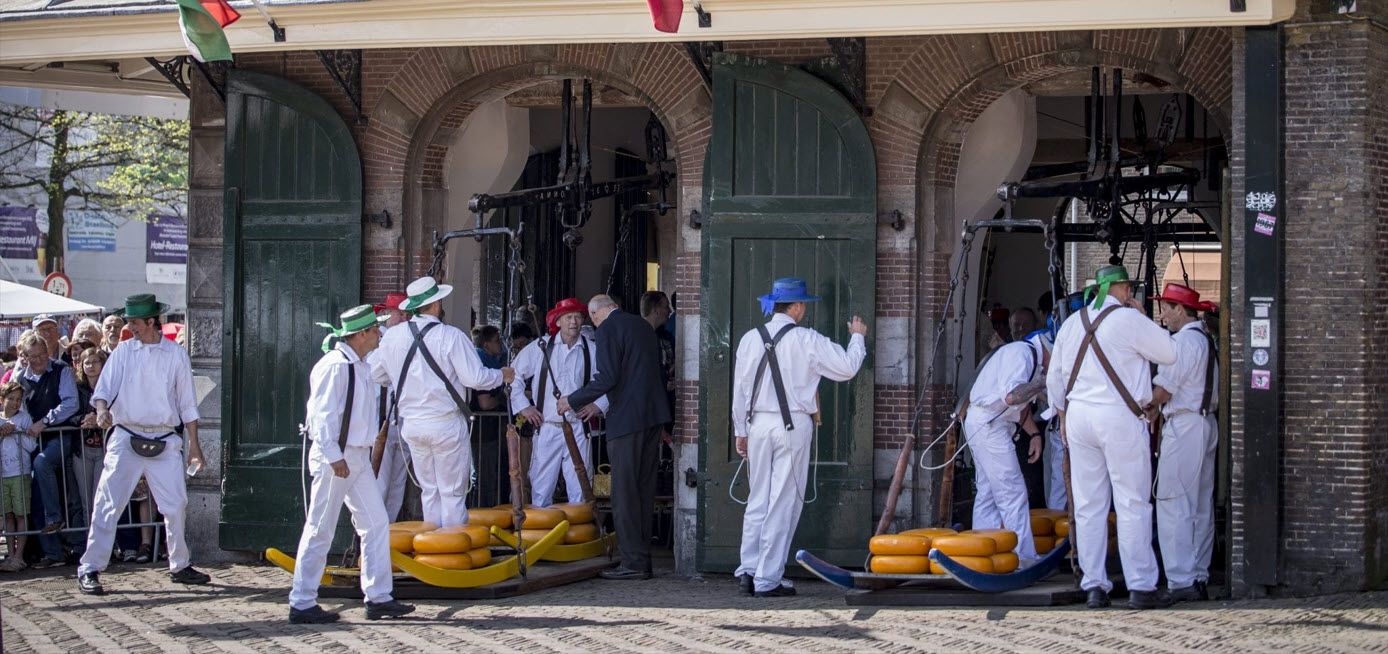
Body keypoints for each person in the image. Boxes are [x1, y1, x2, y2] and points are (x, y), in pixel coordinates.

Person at [1045, 266, 1177, 610]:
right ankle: (1140, 586)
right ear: (1120, 288)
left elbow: (1055, 380)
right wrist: (1142, 316)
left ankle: (1094, 586)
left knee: (1089, 505)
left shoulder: (1073, 324)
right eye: (1127, 288)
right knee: (1132, 501)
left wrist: (1062, 416)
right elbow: (1169, 353)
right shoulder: (1128, 319)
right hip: (1118, 416)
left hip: (1078, 417)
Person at [729, 278, 868, 597]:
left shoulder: (751, 339)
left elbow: (739, 390)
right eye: (803, 303)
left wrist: (741, 431)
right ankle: (767, 579)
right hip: (792, 426)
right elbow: (847, 368)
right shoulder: (807, 339)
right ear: (795, 307)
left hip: (758, 425)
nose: (805, 308)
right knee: (783, 502)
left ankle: (749, 570)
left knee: (758, 499)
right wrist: (857, 338)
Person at [77, 293, 210, 595]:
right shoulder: (123, 352)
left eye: (135, 322)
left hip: (164, 437)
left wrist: (194, 446)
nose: (131, 327)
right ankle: (90, 567)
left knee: (176, 505)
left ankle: (179, 564)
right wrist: (101, 412)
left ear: (151, 321)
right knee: (108, 504)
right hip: (126, 434)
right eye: (129, 322)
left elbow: (188, 403)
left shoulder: (176, 354)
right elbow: (103, 390)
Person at [289, 305, 414, 624]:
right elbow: (322, 415)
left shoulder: (359, 364)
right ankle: (302, 601)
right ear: (360, 335)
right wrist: (334, 456)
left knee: (375, 523)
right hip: (339, 457)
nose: (378, 335)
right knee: (320, 526)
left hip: (356, 456)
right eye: (374, 330)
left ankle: (378, 597)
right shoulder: (335, 366)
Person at [370, 277, 513, 529]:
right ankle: (452, 549)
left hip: (412, 424)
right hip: (445, 423)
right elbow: (476, 378)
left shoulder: (392, 337)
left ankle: (433, 548)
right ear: (435, 305)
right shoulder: (451, 336)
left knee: (430, 490)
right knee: (452, 493)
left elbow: (376, 374)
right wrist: (502, 374)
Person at [558, 295, 669, 580]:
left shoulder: (607, 329)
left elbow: (608, 377)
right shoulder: (643, 326)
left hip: (627, 420)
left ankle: (632, 562)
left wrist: (573, 399)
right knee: (644, 491)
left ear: (595, 315)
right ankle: (642, 558)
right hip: (653, 416)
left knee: (624, 492)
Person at [1147, 283, 1219, 603]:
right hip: (1205, 422)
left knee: (1173, 501)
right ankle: (1198, 574)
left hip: (1185, 422)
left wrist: (1145, 407)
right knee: (1200, 504)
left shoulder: (1181, 343)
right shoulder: (1205, 340)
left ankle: (1181, 580)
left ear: (1180, 310)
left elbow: (1164, 391)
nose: (1162, 314)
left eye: (1166, 307)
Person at [963, 329, 1050, 564]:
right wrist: (1042, 383)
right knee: (1013, 492)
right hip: (990, 424)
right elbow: (1012, 397)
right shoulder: (1022, 353)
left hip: (986, 422)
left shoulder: (1025, 356)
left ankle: (985, 555)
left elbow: (1018, 406)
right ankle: (1023, 557)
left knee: (988, 493)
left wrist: (1034, 434)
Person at [511, 299, 607, 507]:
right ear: (558, 321)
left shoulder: (592, 349)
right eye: (568, 317)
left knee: (581, 486)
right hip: (547, 428)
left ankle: (577, 535)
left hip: (578, 428)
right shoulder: (539, 348)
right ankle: (542, 535)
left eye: (578, 317)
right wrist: (523, 406)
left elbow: (609, 380)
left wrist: (598, 405)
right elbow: (513, 375)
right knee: (541, 488)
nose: (574, 322)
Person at [15, 331, 80, 567]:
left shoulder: (61, 369)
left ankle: (55, 518)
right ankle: (52, 554)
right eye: (32, 357)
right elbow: (15, 406)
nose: (38, 361)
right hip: (33, 440)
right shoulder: (21, 377)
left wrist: (46, 421)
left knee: (42, 462)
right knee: (36, 496)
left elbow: (71, 402)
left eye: (41, 355)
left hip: (58, 436)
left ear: (48, 352)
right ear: (25, 357)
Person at [370, 302, 410, 523]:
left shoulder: (406, 340)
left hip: (401, 420)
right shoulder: (378, 343)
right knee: (381, 483)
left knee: (396, 484)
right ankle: (374, 537)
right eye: (399, 314)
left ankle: (390, 535)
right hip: (382, 421)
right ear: (385, 316)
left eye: (406, 315)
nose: (404, 319)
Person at [0, 381, 36, 571]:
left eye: (18, 400)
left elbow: (31, 446)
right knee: (7, 515)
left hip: (20, 472)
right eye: (11, 399)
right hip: (2, 475)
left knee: (21, 513)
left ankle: (19, 555)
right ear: (2, 400)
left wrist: (16, 433)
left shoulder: (24, 419)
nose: (15, 403)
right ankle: (11, 553)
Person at [640, 291, 676, 433]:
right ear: (655, 311)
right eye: (666, 306)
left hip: (665, 403)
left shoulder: (666, 336)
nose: (670, 311)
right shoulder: (636, 336)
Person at [471, 326, 507, 411]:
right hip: (485, 419)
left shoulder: (493, 361)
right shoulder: (482, 364)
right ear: (486, 345)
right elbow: (485, 403)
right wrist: (503, 399)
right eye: (497, 340)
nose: (501, 344)